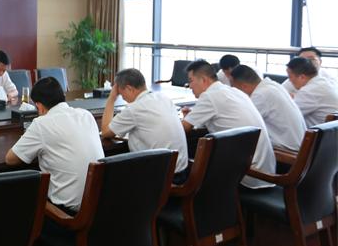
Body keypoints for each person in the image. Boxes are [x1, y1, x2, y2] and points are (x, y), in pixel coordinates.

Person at [5, 76, 102, 212]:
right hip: (99, 206)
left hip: (67, 213)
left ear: (39, 106)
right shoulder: (86, 115)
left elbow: (10, 159)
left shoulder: (42, 123)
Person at [181, 60, 275, 189]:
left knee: (186, 163)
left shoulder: (210, 96)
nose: (189, 86)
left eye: (191, 81)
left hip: (246, 176)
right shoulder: (234, 92)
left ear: (203, 80)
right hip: (264, 171)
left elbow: (182, 129)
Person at [100, 68, 189, 182]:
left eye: (122, 94)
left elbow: (105, 132)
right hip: (182, 172)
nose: (123, 98)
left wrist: (112, 98)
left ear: (129, 88)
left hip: (161, 180)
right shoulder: (164, 98)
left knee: (111, 177)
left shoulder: (134, 108)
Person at [230, 65, 306, 152]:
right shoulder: (272, 85)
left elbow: (242, 124)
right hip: (298, 144)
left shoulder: (261, 95)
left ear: (244, 86)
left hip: (287, 151)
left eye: (233, 87)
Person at [286, 57, 338, 128]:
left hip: (317, 133)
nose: (289, 81)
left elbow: (287, 113)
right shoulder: (323, 82)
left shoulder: (309, 91)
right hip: (331, 131)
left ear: (302, 77)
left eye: (290, 77)